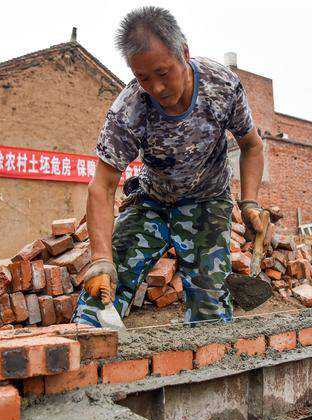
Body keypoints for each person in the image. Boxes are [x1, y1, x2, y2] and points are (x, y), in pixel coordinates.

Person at [72, 6, 265, 327]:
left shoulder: (221, 87)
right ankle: (87, 358)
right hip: (153, 201)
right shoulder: (129, 108)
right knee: (103, 289)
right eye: (143, 77)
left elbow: (252, 146)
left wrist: (249, 203)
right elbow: (102, 186)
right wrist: (101, 260)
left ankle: (211, 368)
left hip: (208, 203)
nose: (156, 88)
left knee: (210, 310)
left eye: (163, 73)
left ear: (184, 53)